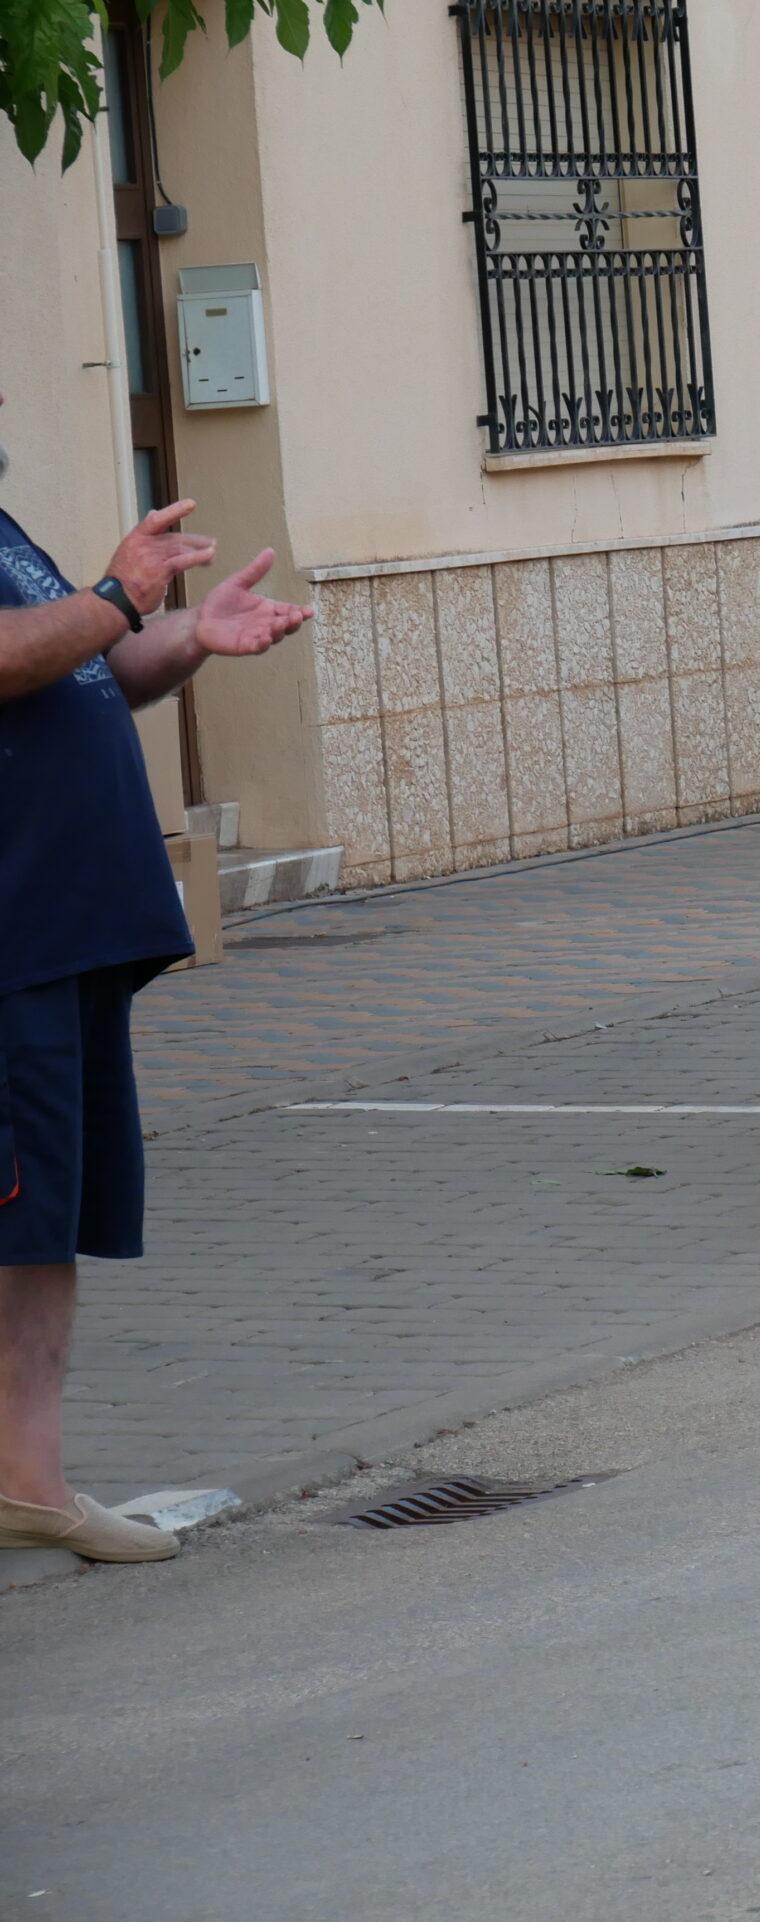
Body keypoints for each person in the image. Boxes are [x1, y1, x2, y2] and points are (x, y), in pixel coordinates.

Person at [0, 392, 313, 1563]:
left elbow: (76, 663)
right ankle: (23, 1478)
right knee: (16, 1211)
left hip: (62, 932)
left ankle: (26, 1476)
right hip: (15, 935)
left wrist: (182, 636)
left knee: (44, 1221)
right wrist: (117, 596)